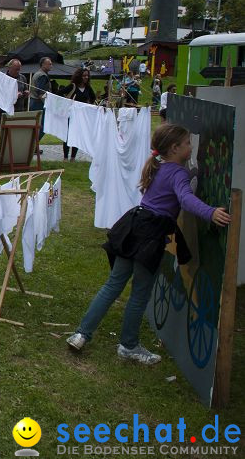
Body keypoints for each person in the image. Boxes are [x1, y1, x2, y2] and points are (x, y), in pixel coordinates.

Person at [66, 124, 231, 364]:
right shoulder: (177, 173)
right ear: (174, 148)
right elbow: (185, 199)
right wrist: (211, 212)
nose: (191, 146)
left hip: (135, 225)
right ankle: (129, 345)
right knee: (140, 293)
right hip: (150, 235)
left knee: (113, 285)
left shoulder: (159, 166)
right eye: (186, 143)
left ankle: (81, 334)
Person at [61, 68, 96, 161]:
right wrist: (68, 102)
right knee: (68, 136)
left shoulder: (88, 88)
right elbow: (59, 93)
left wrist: (87, 106)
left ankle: (73, 158)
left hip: (81, 116)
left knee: (77, 136)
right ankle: (65, 157)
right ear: (79, 76)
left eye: (87, 75)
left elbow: (93, 98)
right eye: (84, 75)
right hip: (70, 115)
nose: (86, 77)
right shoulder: (73, 86)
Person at [28, 57, 52, 140]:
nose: (51, 65)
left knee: (36, 125)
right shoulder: (42, 76)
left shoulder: (38, 74)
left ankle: (33, 146)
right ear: (43, 64)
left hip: (34, 102)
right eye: (49, 64)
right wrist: (48, 103)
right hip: (38, 103)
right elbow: (41, 92)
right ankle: (33, 146)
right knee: (43, 126)